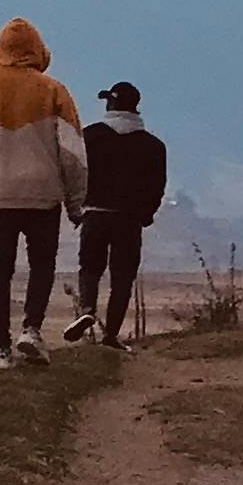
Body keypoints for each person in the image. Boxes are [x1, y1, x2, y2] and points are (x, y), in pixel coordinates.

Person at [0, 15, 87, 367]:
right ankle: (31, 329)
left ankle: (0, 348)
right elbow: (73, 153)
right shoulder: (54, 90)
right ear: (37, 51)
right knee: (41, 264)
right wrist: (77, 203)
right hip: (43, 196)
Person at [65, 79, 168, 347]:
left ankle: (87, 311)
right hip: (129, 220)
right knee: (122, 277)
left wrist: (76, 207)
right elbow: (157, 186)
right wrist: (146, 214)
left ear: (110, 103)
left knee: (90, 267)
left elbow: (77, 174)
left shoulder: (91, 136)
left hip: (95, 214)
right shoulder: (153, 146)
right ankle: (111, 335)